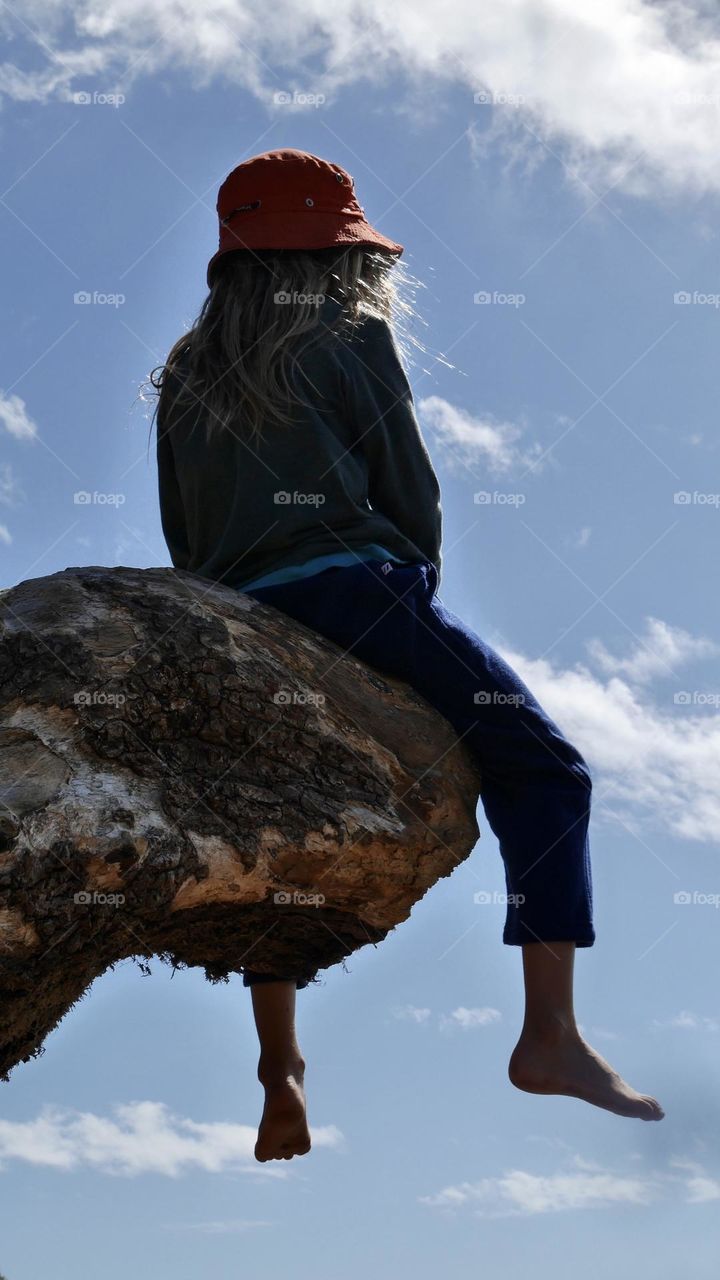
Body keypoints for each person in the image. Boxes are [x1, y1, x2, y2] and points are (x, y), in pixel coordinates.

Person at [152, 148, 664, 1162]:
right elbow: (410, 487)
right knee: (547, 768)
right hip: (352, 590)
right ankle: (550, 1034)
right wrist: (411, 586)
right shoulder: (347, 332)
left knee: (278, 820)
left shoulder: (184, 372)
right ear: (335, 256)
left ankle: (281, 1063)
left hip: (228, 610)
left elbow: (184, 528)